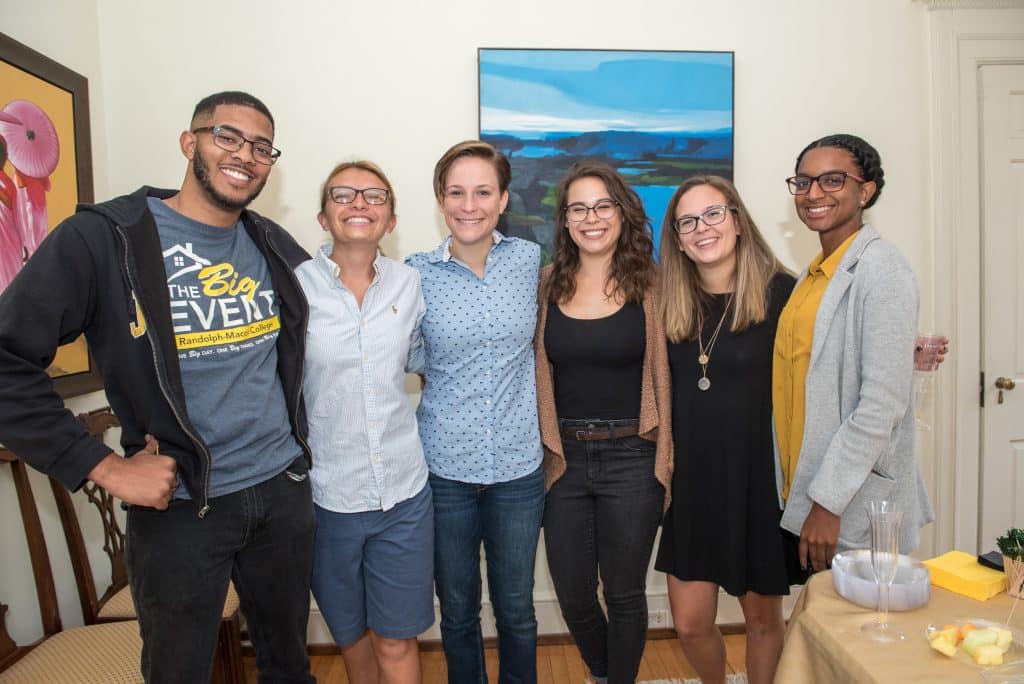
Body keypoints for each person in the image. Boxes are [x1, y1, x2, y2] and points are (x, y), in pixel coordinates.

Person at [0, 91, 316, 683]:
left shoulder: (271, 244)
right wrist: (101, 465)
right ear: (188, 141)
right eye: (226, 136)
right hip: (179, 507)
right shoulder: (106, 240)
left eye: (260, 147)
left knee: (288, 668)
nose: (244, 155)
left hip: (281, 493)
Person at [405, 140, 545, 683]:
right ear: (441, 200)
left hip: (517, 470)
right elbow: (402, 352)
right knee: (458, 611)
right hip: (444, 472)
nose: (470, 205)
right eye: (457, 192)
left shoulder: (531, 262)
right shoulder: (414, 274)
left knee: (517, 610)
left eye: (483, 191)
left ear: (504, 198)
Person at [654, 176, 797, 684]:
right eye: (687, 221)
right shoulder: (667, 300)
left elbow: (831, 355)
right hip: (693, 483)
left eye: (713, 214)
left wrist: (905, 351)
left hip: (757, 481)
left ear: (737, 219)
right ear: (677, 236)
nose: (702, 228)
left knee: (762, 620)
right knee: (690, 624)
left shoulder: (783, 294)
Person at [534, 160, 672, 684]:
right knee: (571, 591)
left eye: (602, 205)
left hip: (633, 456)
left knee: (625, 591)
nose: (591, 217)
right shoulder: (545, 286)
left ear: (622, 212)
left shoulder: (655, 286)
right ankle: (606, 674)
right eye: (578, 208)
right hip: (562, 458)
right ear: (565, 220)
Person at [297, 161, 432, 683]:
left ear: (391, 220)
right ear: (323, 216)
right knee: (352, 642)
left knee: (397, 641)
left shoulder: (410, 284)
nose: (359, 203)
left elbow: (430, 359)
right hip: (327, 496)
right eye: (344, 194)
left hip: (403, 493)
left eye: (374, 196)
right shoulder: (294, 287)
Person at [774, 133, 934, 574]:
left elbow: (882, 405)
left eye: (832, 180)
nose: (813, 194)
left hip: (851, 504)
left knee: (865, 634)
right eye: (803, 182)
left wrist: (827, 503)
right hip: (806, 494)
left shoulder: (883, 270)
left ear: (865, 191)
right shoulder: (812, 276)